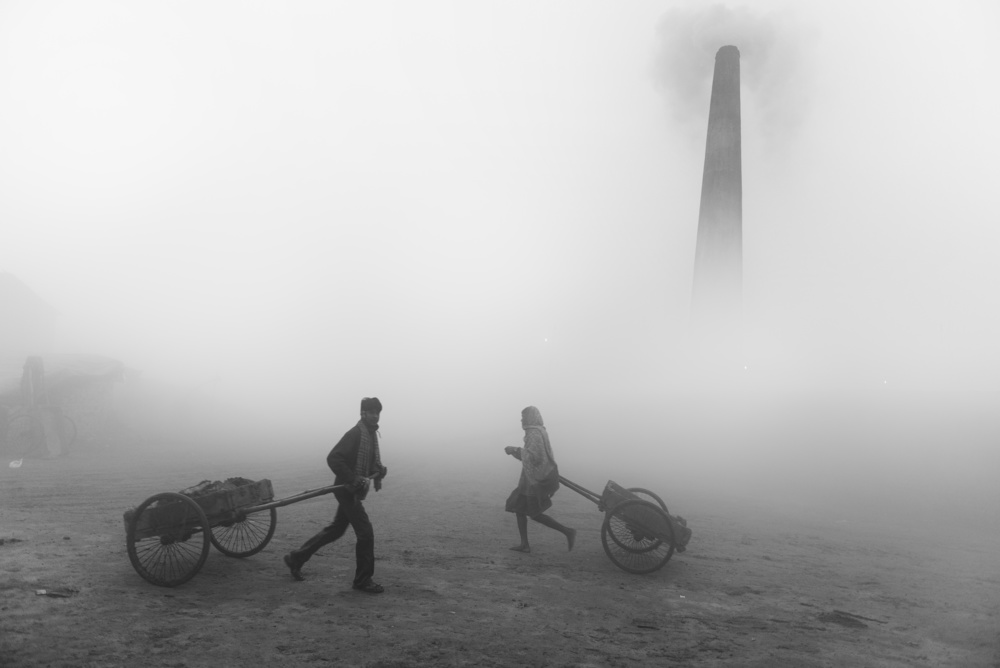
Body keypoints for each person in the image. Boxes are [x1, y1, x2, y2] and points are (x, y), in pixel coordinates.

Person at [283, 397, 388, 593]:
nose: (375, 415)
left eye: (377, 412)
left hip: (349, 489)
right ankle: (362, 581)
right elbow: (334, 458)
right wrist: (352, 478)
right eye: (371, 411)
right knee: (365, 533)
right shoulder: (355, 434)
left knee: (336, 529)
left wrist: (379, 470)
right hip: (346, 490)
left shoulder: (371, 435)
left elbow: (370, 463)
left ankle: (296, 558)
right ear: (362, 413)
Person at [504, 406, 576, 553]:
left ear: (530, 417)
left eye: (523, 417)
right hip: (530, 479)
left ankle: (567, 531)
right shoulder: (540, 430)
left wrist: (515, 450)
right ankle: (524, 544)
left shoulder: (533, 433)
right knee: (519, 508)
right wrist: (517, 452)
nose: (521, 419)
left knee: (534, 513)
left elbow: (533, 457)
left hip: (534, 480)